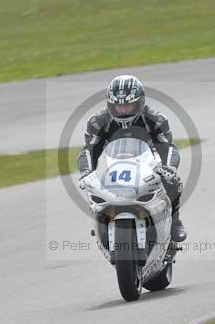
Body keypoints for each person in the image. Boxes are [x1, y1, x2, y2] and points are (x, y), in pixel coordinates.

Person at [78, 75, 187, 242]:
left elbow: (168, 147)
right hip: (112, 165)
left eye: (128, 105)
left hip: (148, 163)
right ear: (109, 104)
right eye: (118, 106)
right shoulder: (97, 122)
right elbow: (89, 149)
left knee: (172, 181)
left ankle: (175, 222)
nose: (123, 111)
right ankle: (101, 221)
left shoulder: (156, 119)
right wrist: (86, 172)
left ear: (140, 102)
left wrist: (169, 168)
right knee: (91, 186)